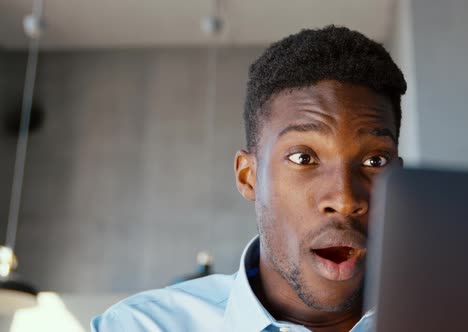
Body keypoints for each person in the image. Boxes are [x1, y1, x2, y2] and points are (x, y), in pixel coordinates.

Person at [92, 25, 407, 332]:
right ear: (249, 177)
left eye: (374, 160)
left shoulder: (451, 318)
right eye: (303, 158)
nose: (344, 199)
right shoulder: (141, 327)